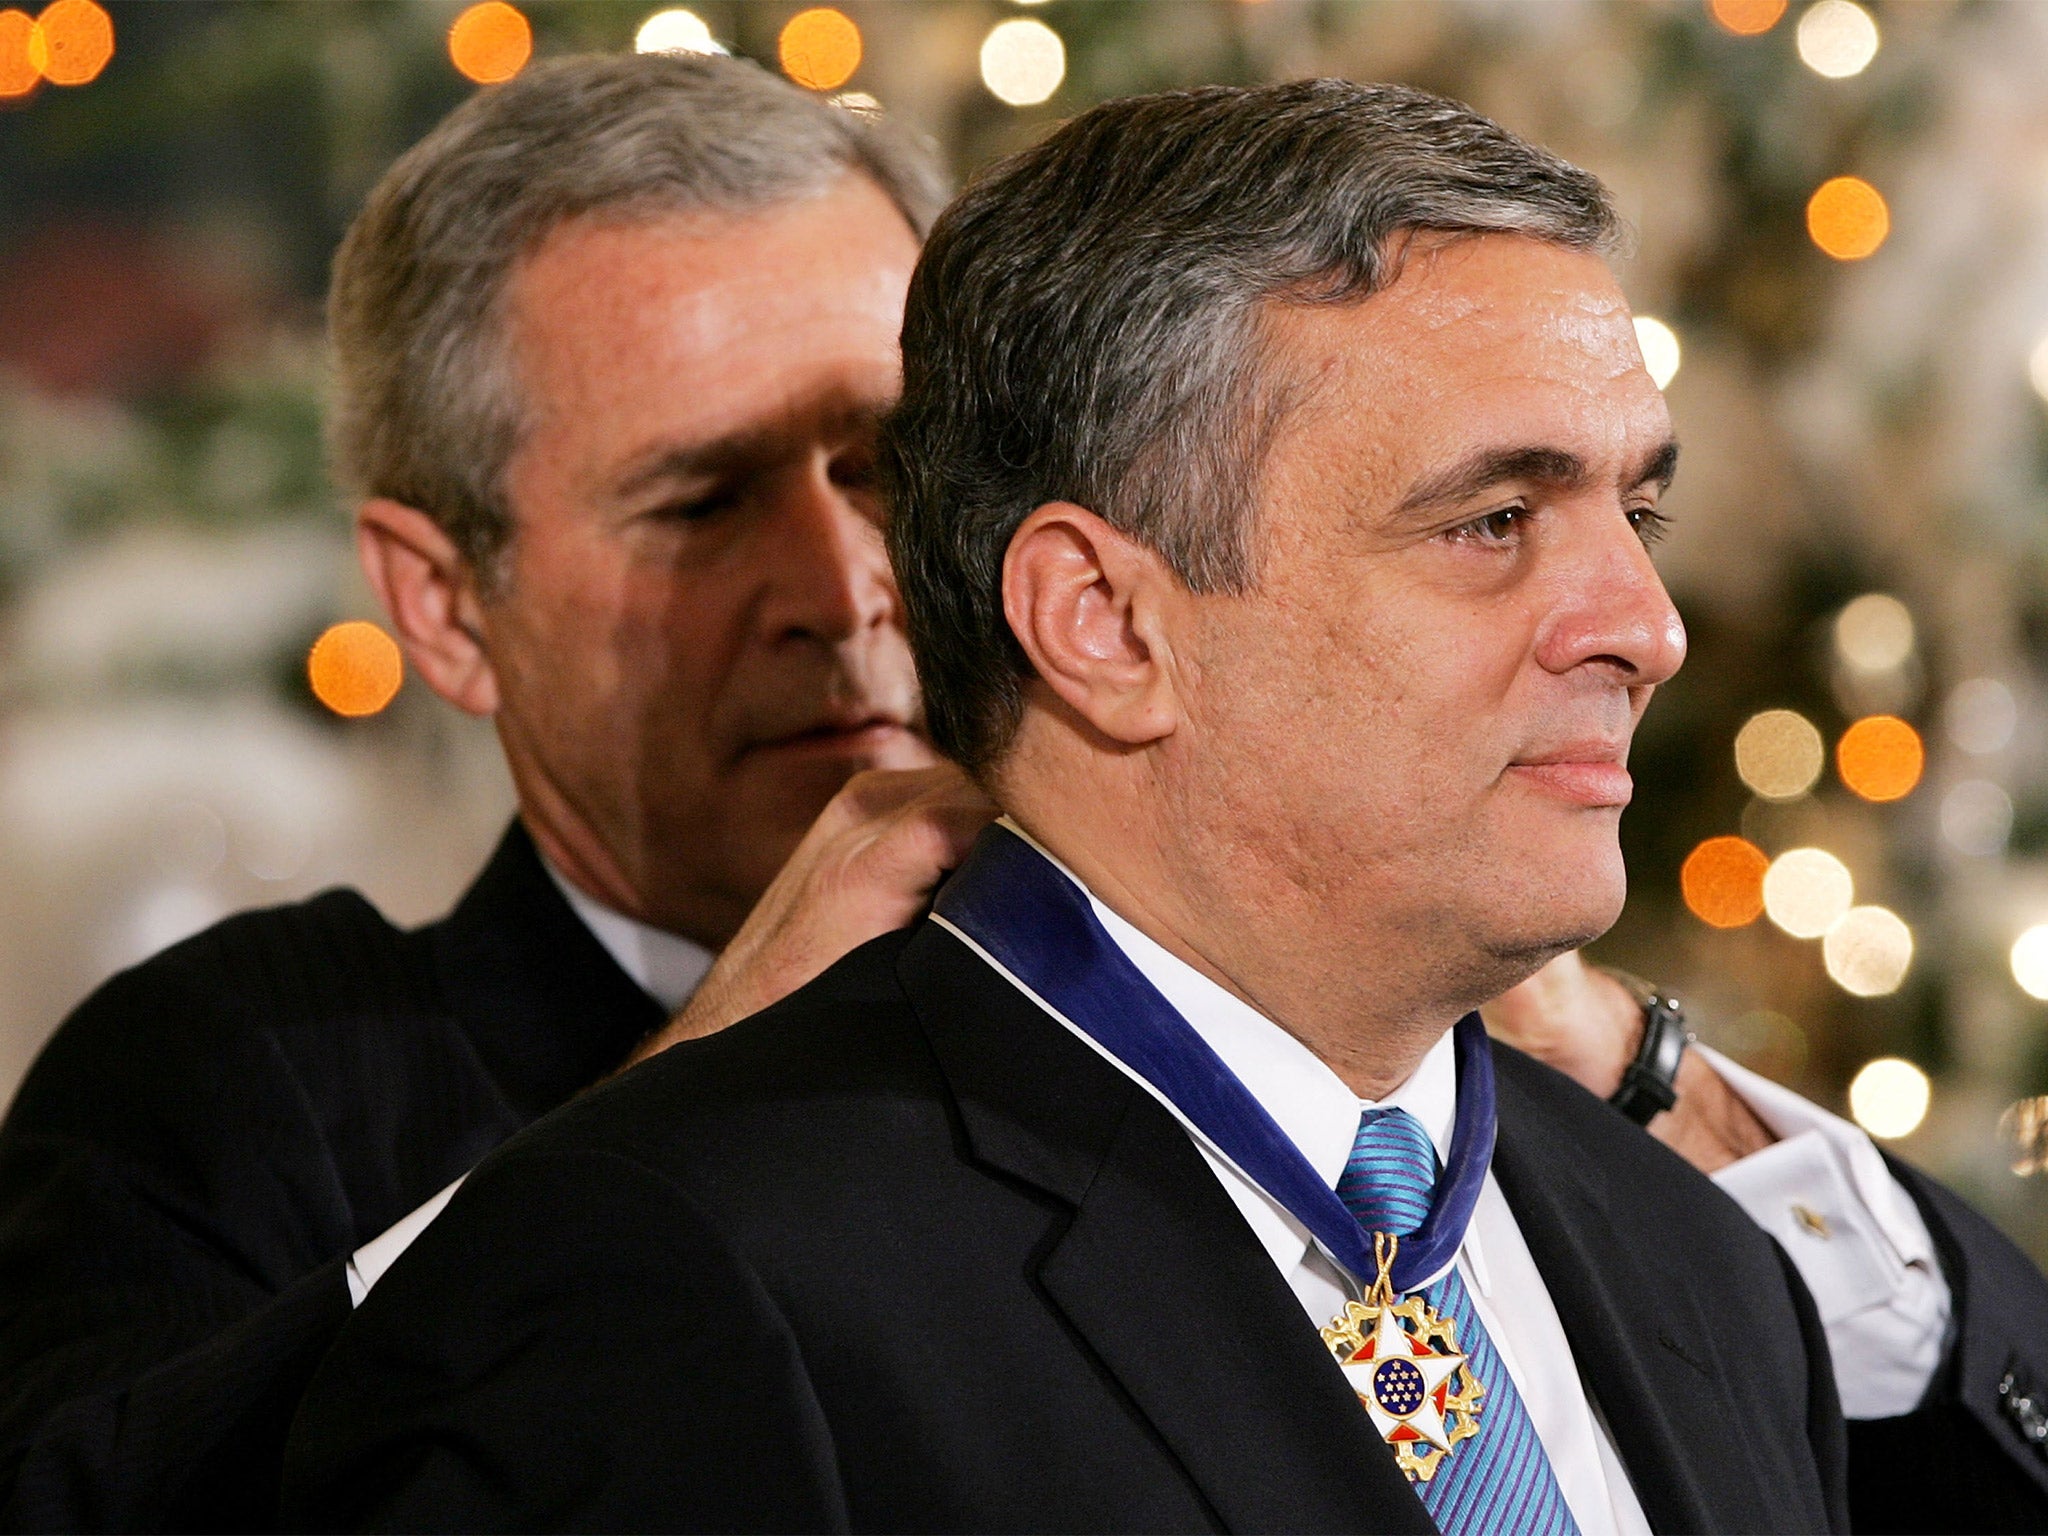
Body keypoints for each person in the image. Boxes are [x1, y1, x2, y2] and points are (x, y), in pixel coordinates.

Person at [282, 78, 2046, 1533]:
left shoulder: (1697, 1269)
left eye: (1634, 515)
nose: (1644, 630)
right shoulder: (696, 1274)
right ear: (1107, 626)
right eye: (1493, 522)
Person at [0, 52, 990, 1532]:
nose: (844, 589)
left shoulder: (1209, 1006)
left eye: (885, 466)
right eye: (702, 502)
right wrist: (689, 1094)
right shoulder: (248, 1084)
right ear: (448, 604)